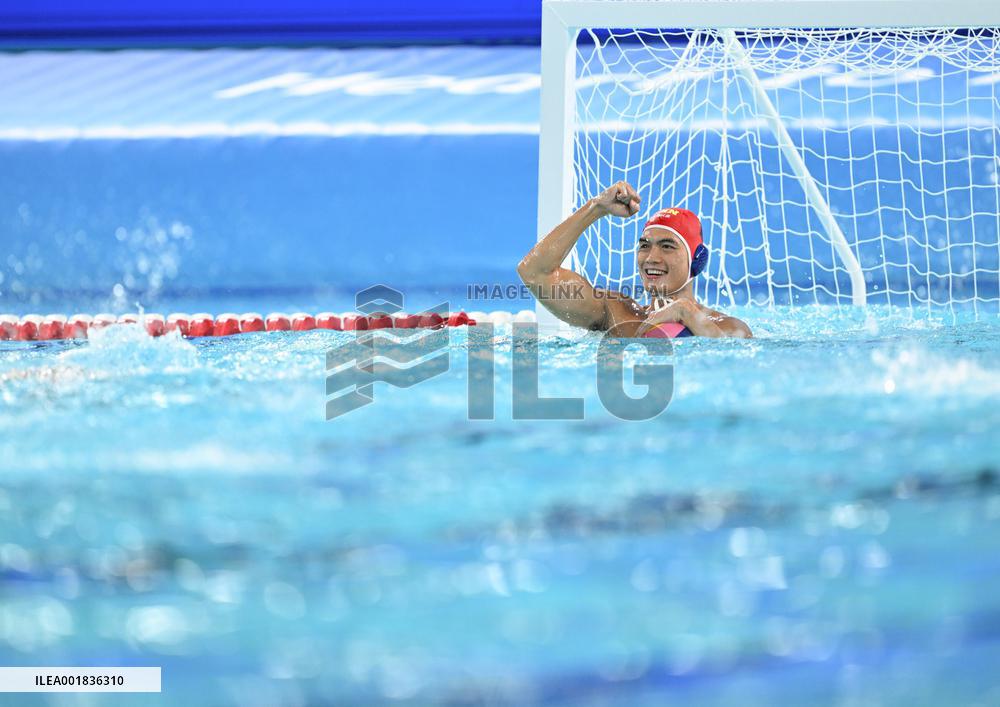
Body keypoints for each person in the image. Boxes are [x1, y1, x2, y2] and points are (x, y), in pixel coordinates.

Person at [517, 181, 752, 338]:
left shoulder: (729, 327)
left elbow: (734, 366)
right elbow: (535, 273)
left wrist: (687, 314)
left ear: (697, 259)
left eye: (667, 247)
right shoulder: (614, 312)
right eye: (644, 246)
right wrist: (596, 207)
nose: (651, 257)